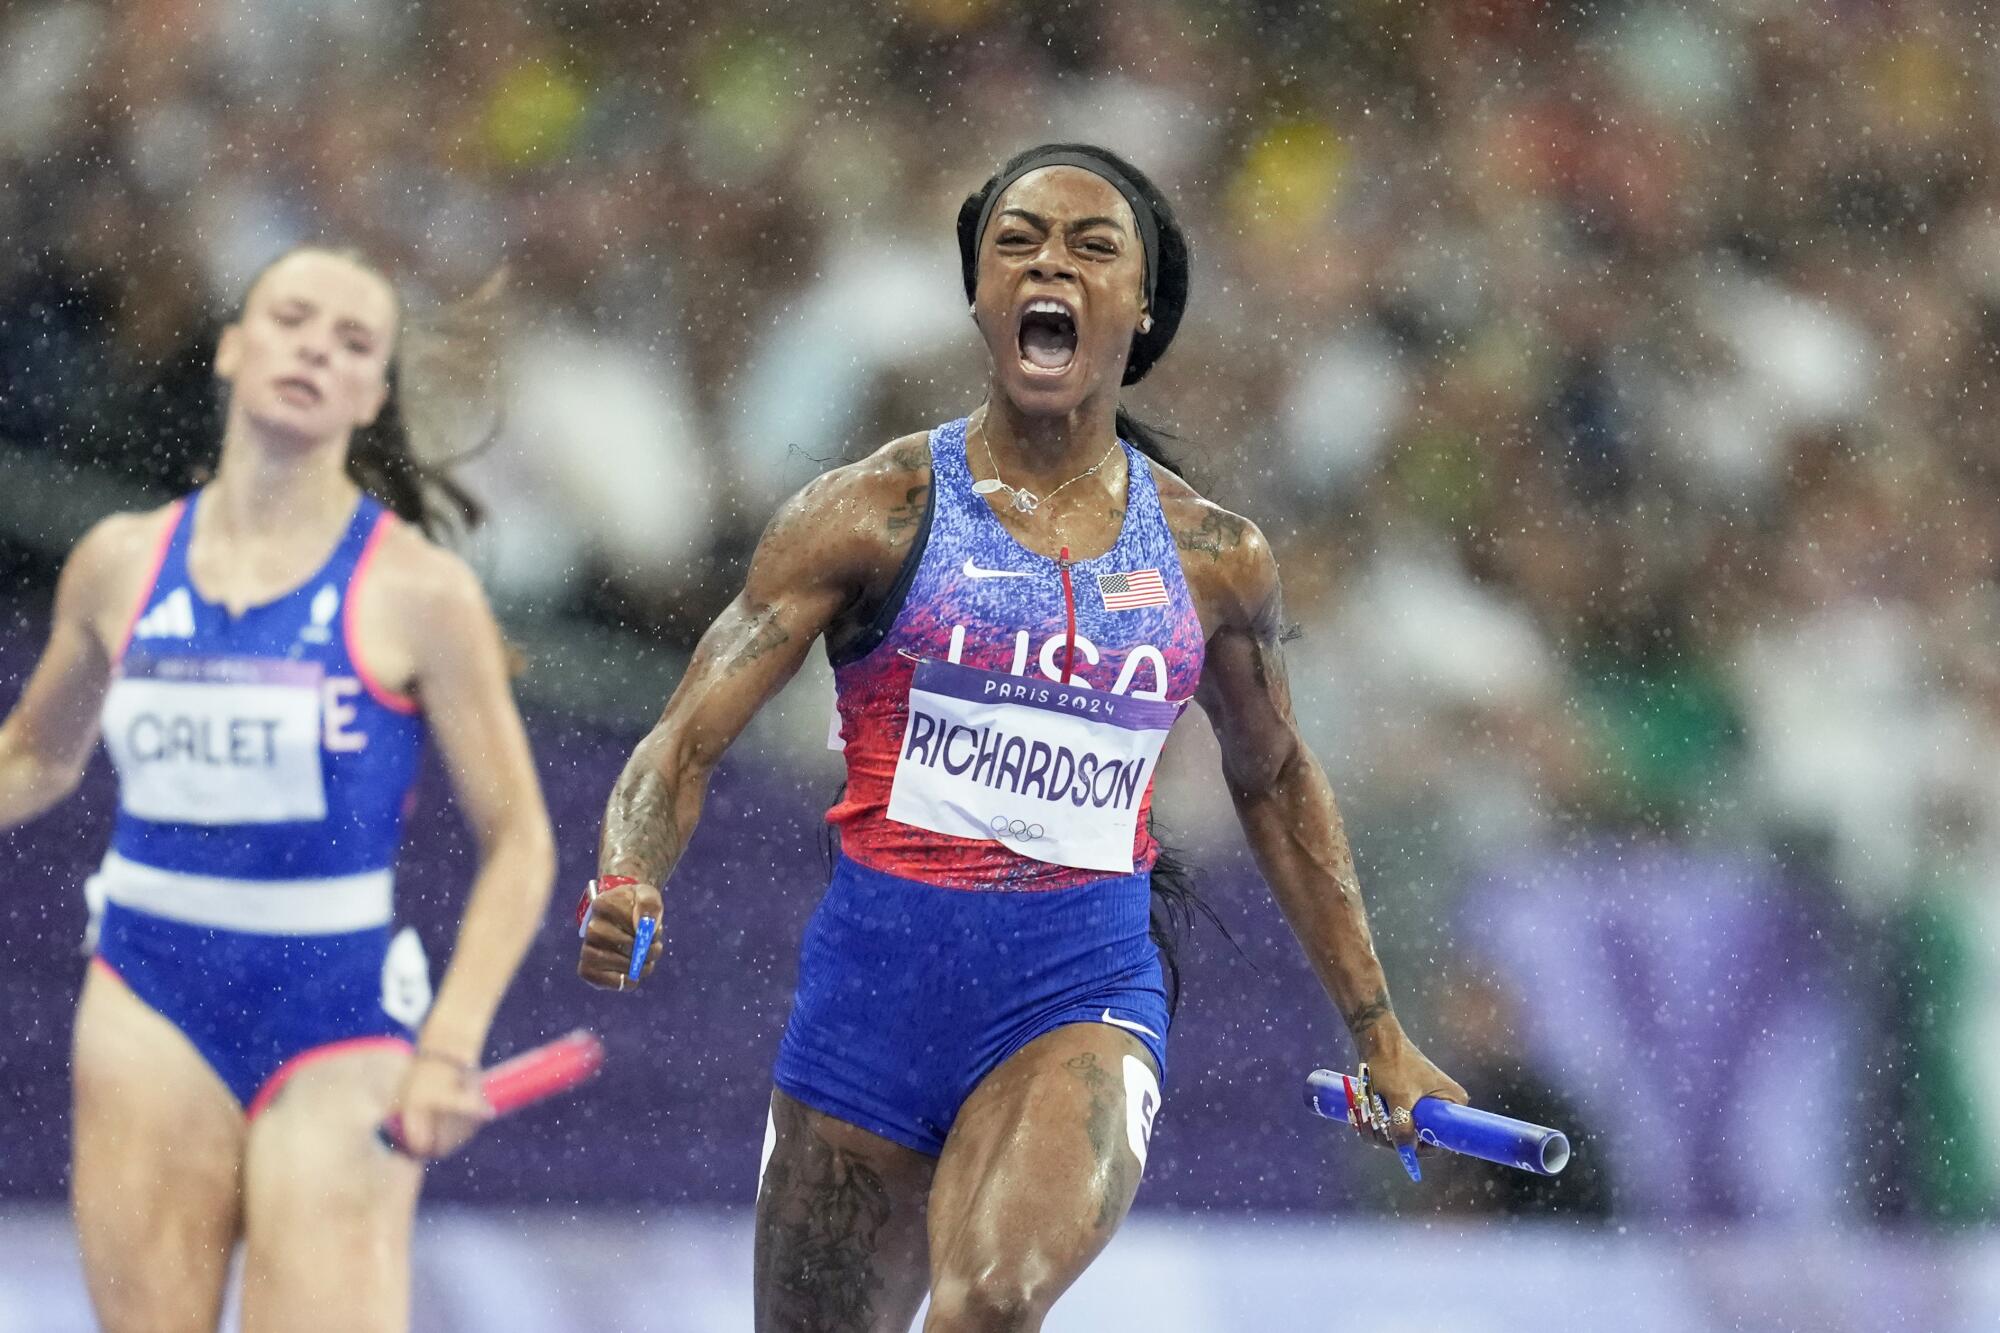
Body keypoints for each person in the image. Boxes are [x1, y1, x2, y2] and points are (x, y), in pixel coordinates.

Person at [578, 143, 1466, 1332]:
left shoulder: (1210, 559)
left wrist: (1378, 1032)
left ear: (1139, 310)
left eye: (1091, 246)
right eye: (1017, 242)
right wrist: (631, 872)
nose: (1049, 261)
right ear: (981, 297)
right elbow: (679, 743)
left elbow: (1276, 777)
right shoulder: (871, 512)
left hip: (1077, 994)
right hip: (868, 1010)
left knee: (990, 1300)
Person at [0, 246, 555, 1332]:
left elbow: (520, 841)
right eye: (292, 319)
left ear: (373, 395)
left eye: (352, 343)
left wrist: (449, 1041)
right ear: (233, 348)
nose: (316, 347)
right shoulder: (116, 562)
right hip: (147, 1001)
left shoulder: (420, 591)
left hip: (337, 1016)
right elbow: (37, 755)